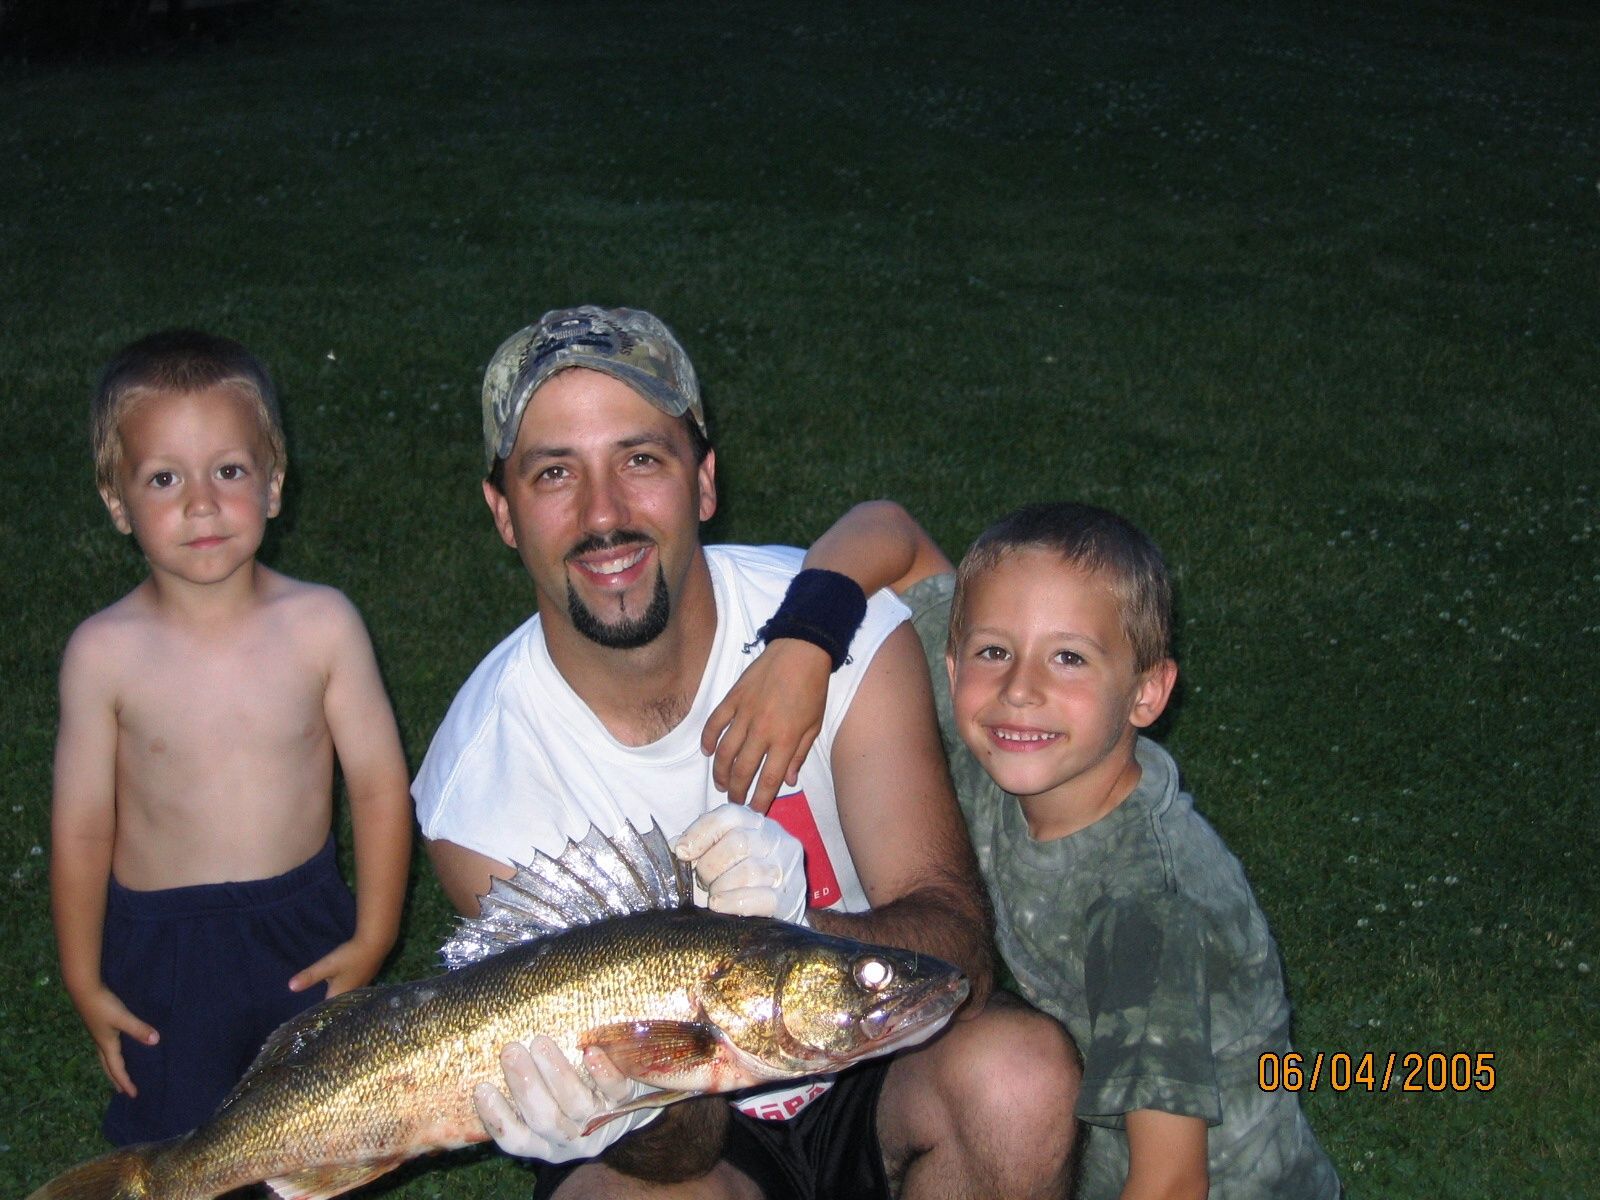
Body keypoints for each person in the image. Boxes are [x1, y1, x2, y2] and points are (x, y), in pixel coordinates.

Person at [413, 305, 1078, 1199]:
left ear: (705, 481)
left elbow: (956, 944)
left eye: (640, 460)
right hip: (690, 1139)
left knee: (1020, 1076)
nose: (603, 513)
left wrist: (803, 930)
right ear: (503, 512)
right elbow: (675, 1153)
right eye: (553, 474)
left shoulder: (845, 642)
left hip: (877, 1076)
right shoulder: (477, 792)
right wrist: (617, 1099)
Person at [716, 500, 1341, 1199]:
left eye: (1069, 657)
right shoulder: (1013, 751)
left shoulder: (1146, 908)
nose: (1020, 688)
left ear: (1147, 692)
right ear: (953, 670)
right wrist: (805, 641)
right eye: (994, 652)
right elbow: (891, 533)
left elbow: (1172, 1181)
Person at [51, 330, 414, 1145]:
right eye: (164, 478)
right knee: (182, 1151)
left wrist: (373, 934)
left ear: (274, 484)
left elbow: (379, 788)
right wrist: (83, 974)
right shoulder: (103, 654)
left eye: (230, 470)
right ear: (117, 502)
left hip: (305, 925)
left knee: (318, 1139)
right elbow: (81, 827)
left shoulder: (321, 626)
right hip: (167, 949)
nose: (202, 503)